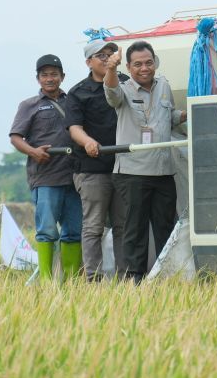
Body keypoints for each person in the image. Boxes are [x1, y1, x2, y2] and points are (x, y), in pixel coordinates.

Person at [104, 41, 186, 283]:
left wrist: (186, 114)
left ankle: (166, 275)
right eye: (137, 64)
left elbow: (167, 117)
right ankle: (134, 279)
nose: (144, 68)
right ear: (128, 67)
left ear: (155, 62)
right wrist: (110, 69)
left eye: (148, 62)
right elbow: (111, 95)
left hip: (163, 171)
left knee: (166, 227)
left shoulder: (164, 86)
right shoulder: (122, 89)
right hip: (133, 172)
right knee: (135, 229)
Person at [9, 54, 82, 281]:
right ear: (38, 78)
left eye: (54, 74)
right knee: (47, 231)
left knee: (73, 231)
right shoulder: (29, 105)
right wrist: (33, 152)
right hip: (46, 177)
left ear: (62, 77)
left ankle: (70, 280)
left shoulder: (73, 102)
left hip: (75, 176)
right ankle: (48, 281)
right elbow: (15, 137)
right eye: (45, 75)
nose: (49, 79)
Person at [64, 39, 128, 281]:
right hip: (91, 168)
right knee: (94, 226)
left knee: (123, 226)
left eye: (110, 53)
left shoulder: (125, 83)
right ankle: (93, 277)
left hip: (124, 166)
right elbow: (73, 128)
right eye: (100, 55)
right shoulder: (78, 92)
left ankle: (126, 277)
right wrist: (88, 141)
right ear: (88, 62)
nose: (107, 58)